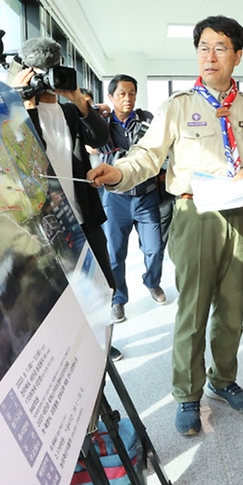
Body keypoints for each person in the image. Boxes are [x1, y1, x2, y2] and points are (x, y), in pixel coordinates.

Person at [87, 15, 243, 436]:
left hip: (242, 213)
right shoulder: (179, 106)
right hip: (195, 214)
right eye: (203, 47)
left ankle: (222, 380)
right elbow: (147, 156)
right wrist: (118, 174)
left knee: (232, 307)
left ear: (238, 55)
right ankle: (187, 394)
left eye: (220, 47)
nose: (210, 56)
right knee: (192, 310)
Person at [13, 37, 114, 291]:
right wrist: (25, 103)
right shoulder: (18, 114)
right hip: (48, 228)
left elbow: (101, 138)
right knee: (69, 298)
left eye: (53, 69)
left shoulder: (71, 112)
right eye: (42, 72)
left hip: (85, 219)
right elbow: (30, 155)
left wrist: (78, 99)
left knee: (105, 288)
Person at [97, 74, 166, 323]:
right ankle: (118, 299)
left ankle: (152, 282)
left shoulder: (148, 120)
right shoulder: (101, 122)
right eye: (122, 94)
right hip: (115, 198)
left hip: (146, 197)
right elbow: (90, 143)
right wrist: (97, 112)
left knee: (155, 248)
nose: (128, 98)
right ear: (111, 97)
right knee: (114, 254)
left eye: (132, 93)